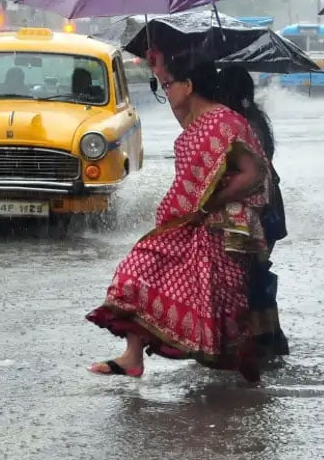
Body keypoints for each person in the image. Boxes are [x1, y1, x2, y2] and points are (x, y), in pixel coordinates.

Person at [86, 57, 271, 382]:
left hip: (221, 227)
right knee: (137, 273)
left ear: (188, 86)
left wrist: (213, 201)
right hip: (185, 224)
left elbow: (255, 172)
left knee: (221, 307)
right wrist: (157, 63)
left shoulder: (226, 122)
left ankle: (247, 381)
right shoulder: (194, 125)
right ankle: (133, 357)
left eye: (168, 85)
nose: (164, 92)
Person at [217, 65, 289, 366]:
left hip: (257, 210)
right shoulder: (255, 120)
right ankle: (268, 340)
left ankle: (255, 343)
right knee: (256, 274)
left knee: (247, 277)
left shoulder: (241, 126)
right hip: (269, 208)